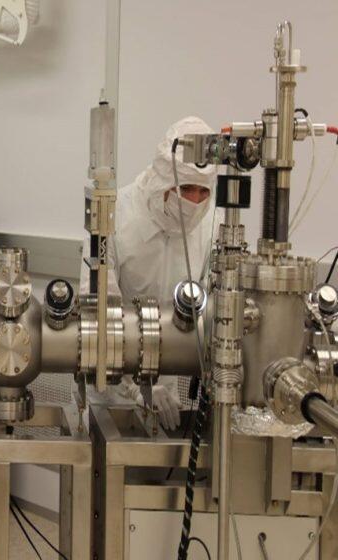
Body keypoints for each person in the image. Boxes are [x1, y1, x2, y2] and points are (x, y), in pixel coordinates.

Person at [80, 116, 218, 430]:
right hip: (112, 390)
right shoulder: (114, 216)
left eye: (203, 192)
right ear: (163, 181)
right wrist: (136, 388)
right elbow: (96, 310)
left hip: (167, 393)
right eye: (186, 189)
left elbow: (213, 310)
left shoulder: (211, 224)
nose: (194, 202)